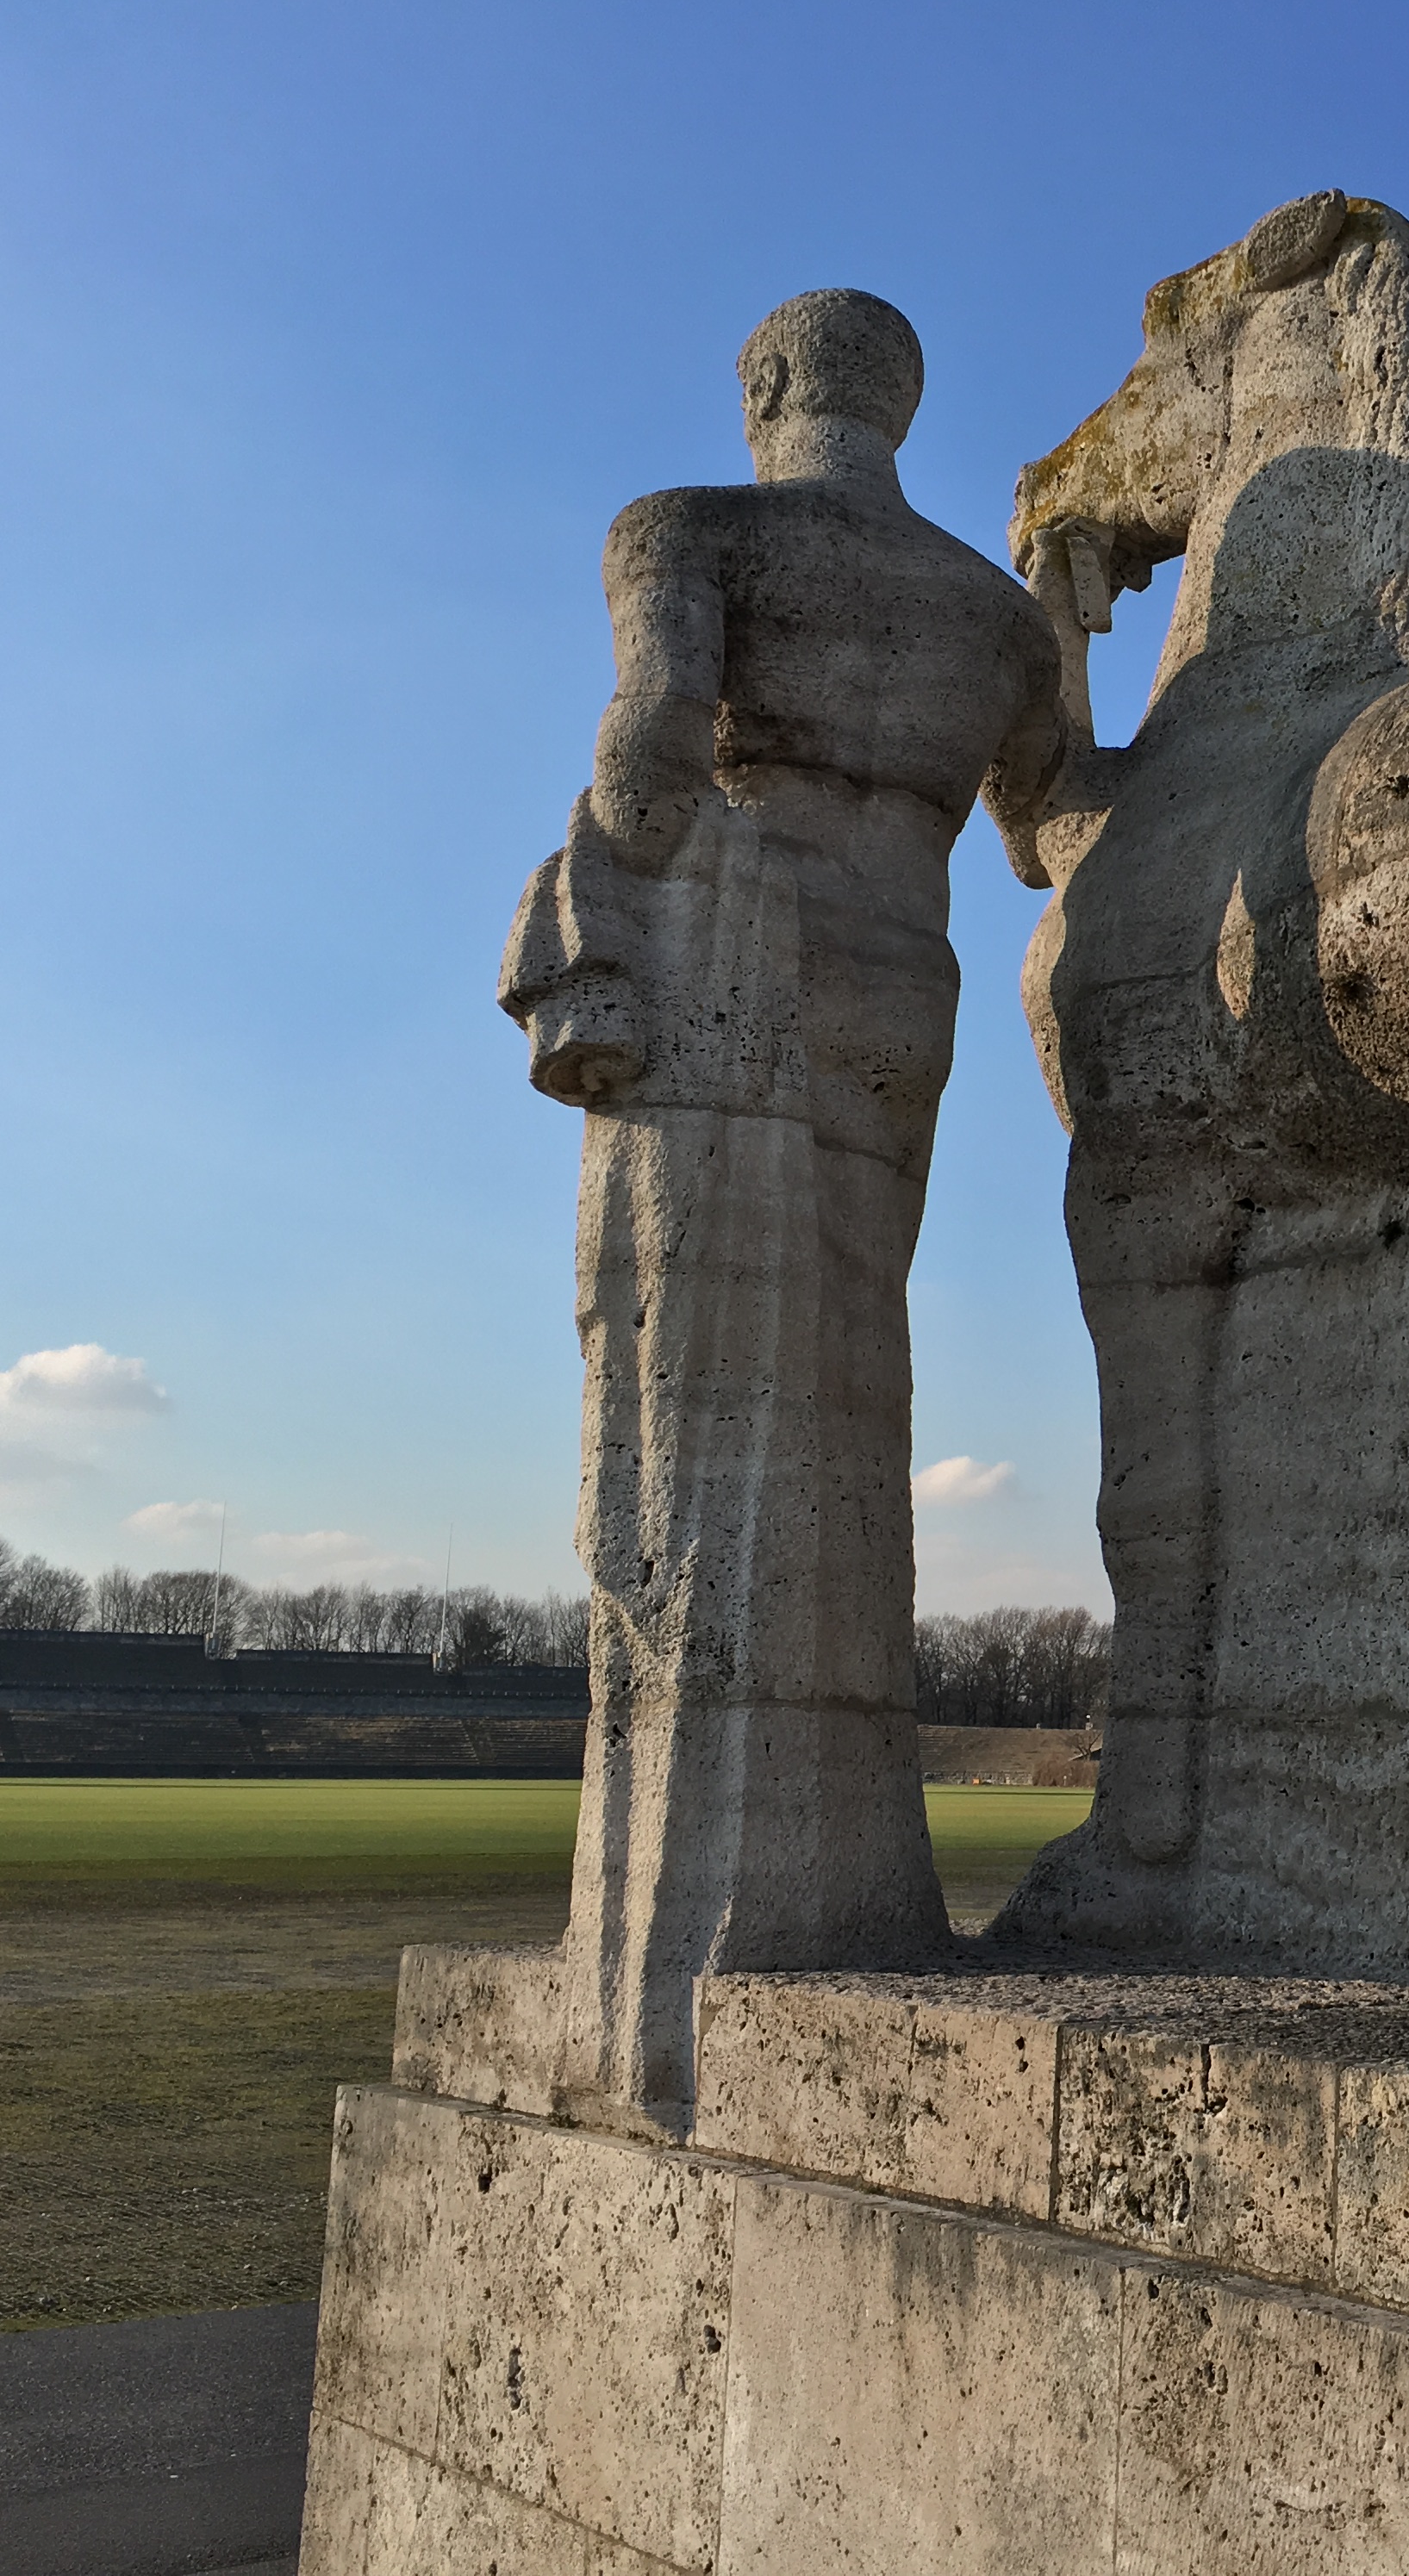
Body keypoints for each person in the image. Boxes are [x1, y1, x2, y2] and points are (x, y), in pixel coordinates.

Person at [497, 289, 1062, 2128]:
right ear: (903, 402)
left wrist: (595, 872)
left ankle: (697, 1928)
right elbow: (1054, 818)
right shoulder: (993, 614)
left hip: (745, 961)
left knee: (693, 1423)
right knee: (842, 1382)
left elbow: (654, 737)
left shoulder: (689, 533)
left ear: (765, 387)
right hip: (909, 987)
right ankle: (836, 1866)